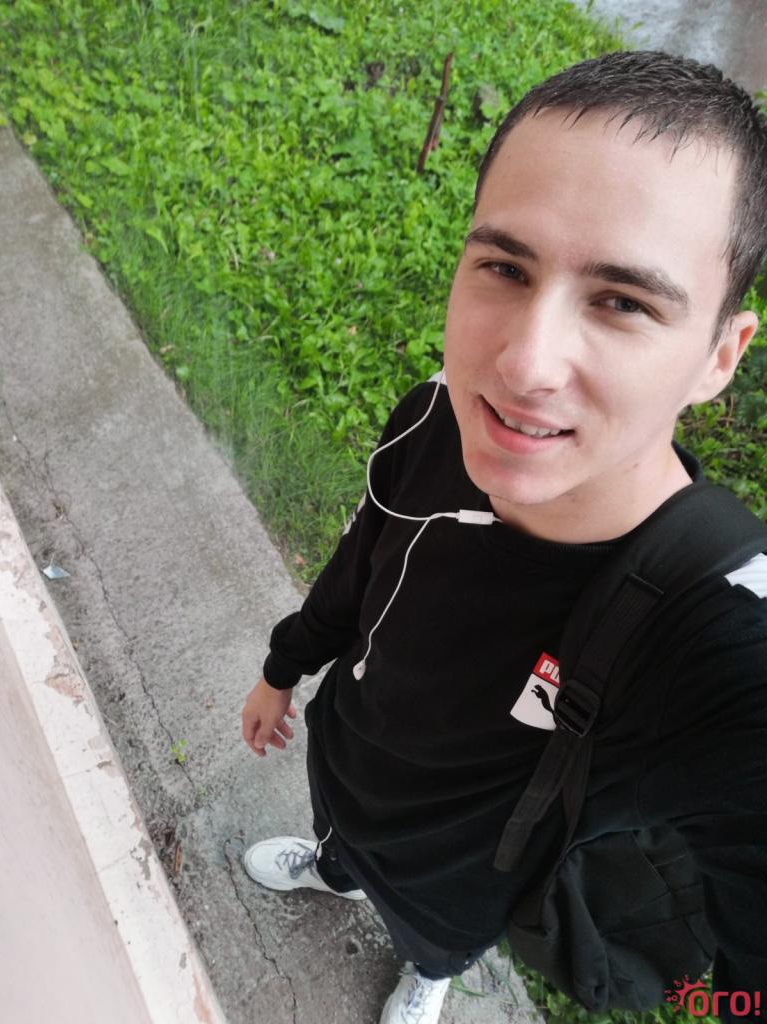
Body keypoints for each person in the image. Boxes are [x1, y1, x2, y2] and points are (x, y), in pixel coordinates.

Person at [241, 50, 767, 1024]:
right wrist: (285, 667)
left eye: (623, 302)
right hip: (346, 762)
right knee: (343, 851)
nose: (524, 367)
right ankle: (334, 866)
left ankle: (428, 974)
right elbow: (363, 558)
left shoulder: (718, 630)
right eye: (505, 267)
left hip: (460, 882)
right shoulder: (437, 411)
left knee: (428, 938)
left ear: (719, 356)